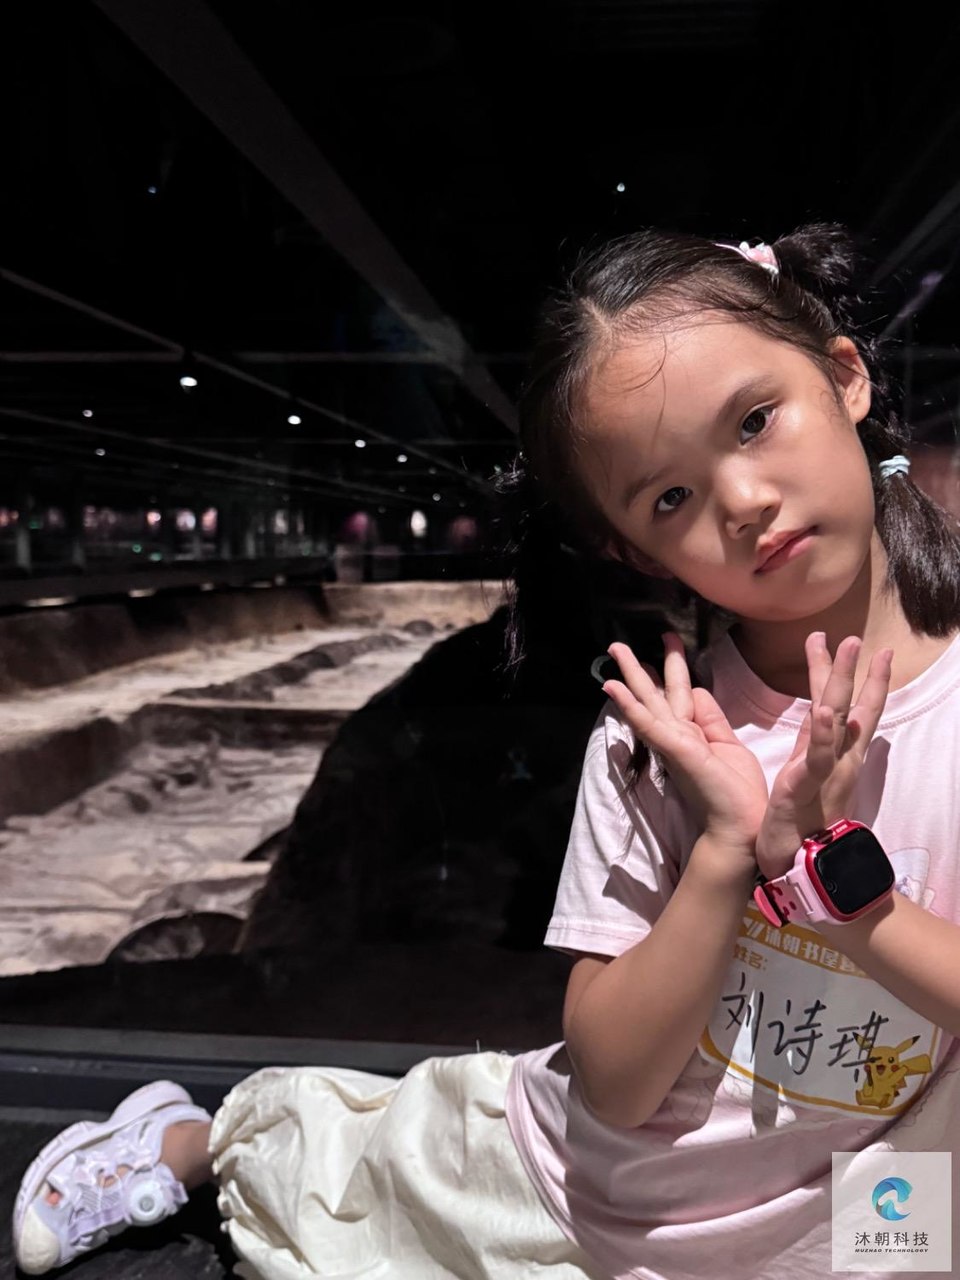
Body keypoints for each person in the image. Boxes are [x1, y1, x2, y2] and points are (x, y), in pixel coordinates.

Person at [12, 224, 960, 1280]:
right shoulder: (661, 738)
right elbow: (615, 1086)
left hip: (853, 1217)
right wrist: (728, 849)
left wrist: (830, 878)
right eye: (671, 497)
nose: (743, 502)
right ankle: (188, 1137)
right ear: (637, 551)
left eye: (753, 420)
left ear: (845, 376)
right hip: (588, 1191)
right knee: (340, 1167)